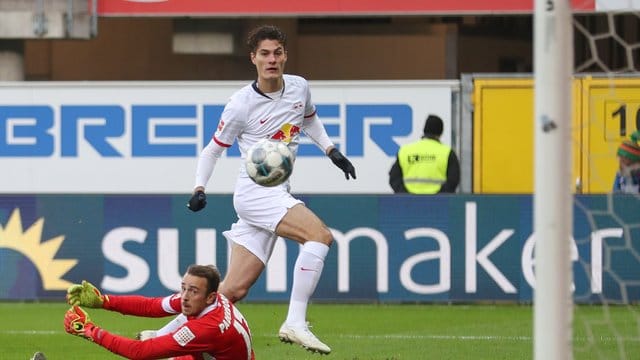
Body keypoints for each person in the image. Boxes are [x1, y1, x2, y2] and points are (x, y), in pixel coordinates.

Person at [182, 24, 356, 355]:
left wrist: (332, 151)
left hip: (277, 192)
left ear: (285, 55)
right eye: (264, 54)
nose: (271, 59)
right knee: (320, 237)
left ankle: (167, 335)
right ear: (253, 58)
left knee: (232, 290)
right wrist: (199, 187)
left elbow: (309, 120)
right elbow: (213, 149)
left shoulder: (299, 87)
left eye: (277, 52)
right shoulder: (240, 105)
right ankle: (295, 322)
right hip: (255, 193)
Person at [63, 264, 254, 360]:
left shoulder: (206, 328)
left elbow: (140, 352)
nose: (185, 296)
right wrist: (104, 301)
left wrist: (89, 331)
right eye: (183, 288)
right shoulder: (204, 301)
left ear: (210, 297)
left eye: (193, 291)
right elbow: (151, 306)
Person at [388, 114, 460, 194]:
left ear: (424, 130)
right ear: (440, 133)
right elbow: (453, 180)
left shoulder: (405, 151)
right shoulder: (447, 153)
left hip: (409, 203)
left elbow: (394, 178)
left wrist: (405, 194)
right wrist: (440, 196)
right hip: (437, 203)